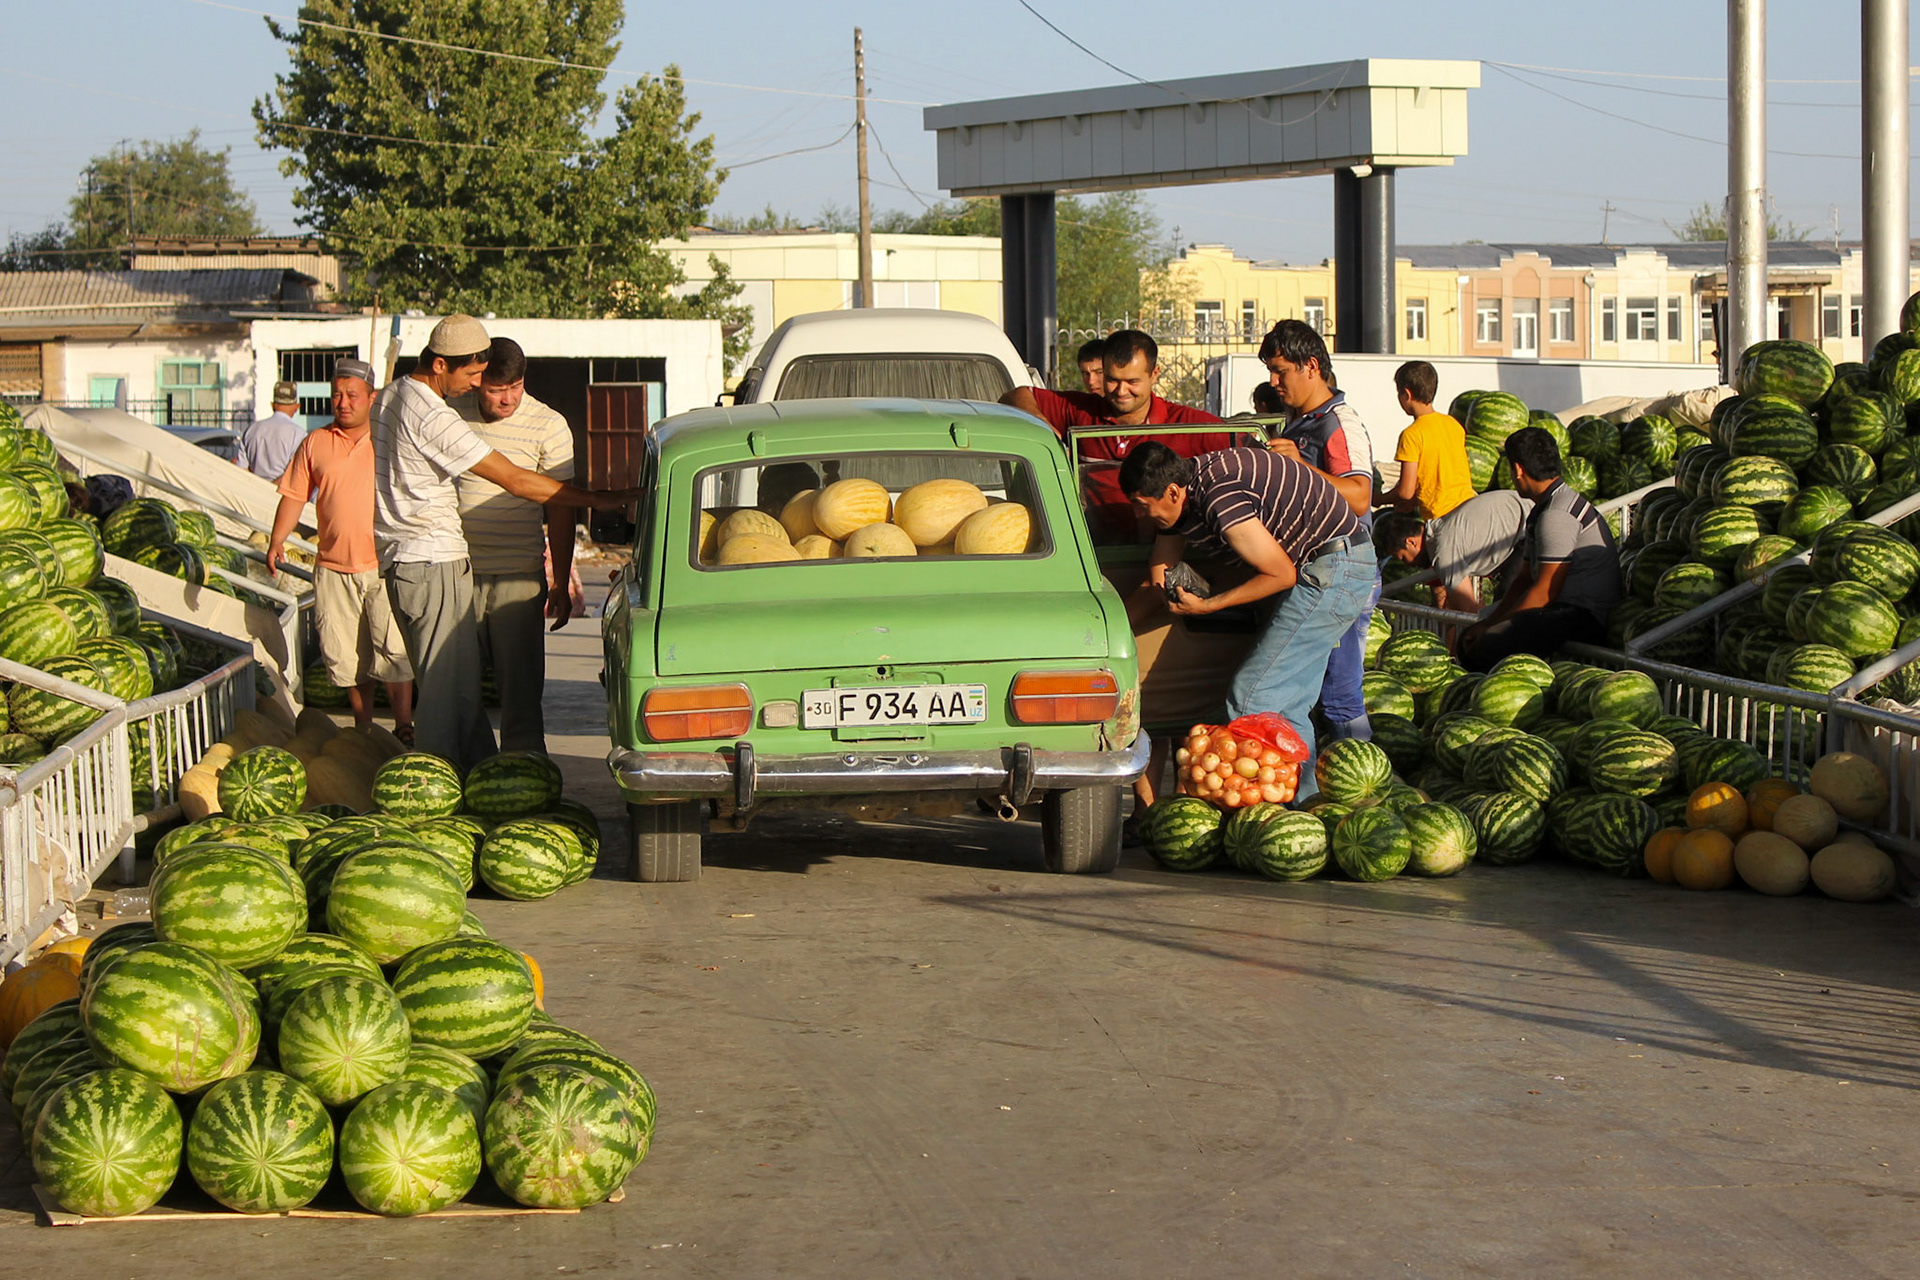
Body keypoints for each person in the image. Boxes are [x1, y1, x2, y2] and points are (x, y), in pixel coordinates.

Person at [372, 314, 638, 769]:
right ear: (441, 366)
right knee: (447, 693)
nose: (487, 389)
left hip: (472, 568)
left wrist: (557, 579)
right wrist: (605, 499)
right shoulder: (437, 414)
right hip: (439, 563)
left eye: (505, 383)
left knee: (487, 692)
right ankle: (442, 783)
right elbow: (516, 480)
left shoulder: (391, 397)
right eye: (478, 377)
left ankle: (505, 776)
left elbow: (554, 507)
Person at [1120, 441, 1377, 805]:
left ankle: (1268, 814)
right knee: (1286, 706)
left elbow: (1281, 574)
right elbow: (1161, 571)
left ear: (1173, 492)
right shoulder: (1182, 490)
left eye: (1141, 506)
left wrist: (1208, 606)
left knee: (1252, 697)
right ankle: (1304, 809)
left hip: (1333, 571)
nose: (1137, 515)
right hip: (1330, 567)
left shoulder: (1219, 496)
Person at [267, 359, 415, 740]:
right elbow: (295, 495)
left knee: (394, 652)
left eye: (352, 395)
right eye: (336, 395)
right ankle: (363, 728)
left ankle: (403, 726)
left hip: (384, 565)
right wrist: (276, 539)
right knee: (351, 659)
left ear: (372, 398)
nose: (343, 402)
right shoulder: (315, 442)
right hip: (333, 568)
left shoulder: (389, 441)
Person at [445, 337, 576, 754]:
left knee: (520, 694)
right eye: (496, 390)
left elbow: (560, 510)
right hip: (457, 572)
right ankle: (469, 771)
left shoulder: (549, 424)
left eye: (515, 387)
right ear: (478, 381)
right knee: (458, 690)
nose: (507, 399)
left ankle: (525, 772)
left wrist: (559, 581)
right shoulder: (450, 416)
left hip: (520, 576)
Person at [1258, 319, 1376, 744]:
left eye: (1280, 371)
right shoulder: (1299, 421)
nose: (1273, 382)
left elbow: (1360, 496)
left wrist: (1300, 467)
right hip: (1316, 576)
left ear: (1311, 366)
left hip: (1343, 572)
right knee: (1312, 697)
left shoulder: (1339, 423)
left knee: (1340, 697)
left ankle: (1369, 788)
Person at [1000, 329, 1234, 539]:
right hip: (1098, 553)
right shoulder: (1081, 411)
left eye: (1132, 381)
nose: (1121, 391)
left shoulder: (1189, 424)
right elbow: (1016, 396)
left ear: (1154, 374)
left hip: (1164, 552)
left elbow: (1248, 450)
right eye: (1112, 380)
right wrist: (1040, 423)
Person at [1459, 427, 1622, 670]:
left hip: (1584, 616)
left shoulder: (1556, 514)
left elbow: (1546, 592)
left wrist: (1492, 629)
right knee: (1474, 634)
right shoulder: (1543, 509)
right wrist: (1488, 621)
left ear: (1517, 470)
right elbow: (1524, 579)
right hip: (1561, 609)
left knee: (1491, 644)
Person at [1375, 489, 1532, 616]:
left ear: (1411, 542)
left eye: (1402, 557)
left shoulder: (1443, 551)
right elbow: (1457, 604)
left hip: (1527, 530)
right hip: (1524, 517)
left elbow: (1470, 610)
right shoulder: (1441, 527)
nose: (1408, 565)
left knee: (1505, 615)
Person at [1388, 361, 1475, 521]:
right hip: (1469, 509)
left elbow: (1406, 491)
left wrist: (1378, 499)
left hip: (1442, 518)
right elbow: (1440, 477)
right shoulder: (1453, 424)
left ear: (1406, 395)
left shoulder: (1411, 435)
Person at [235, 381, 306, 481]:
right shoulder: (299, 434)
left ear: (272, 405)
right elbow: (296, 473)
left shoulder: (251, 430)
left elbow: (241, 469)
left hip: (253, 492)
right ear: (297, 407)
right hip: (282, 494)